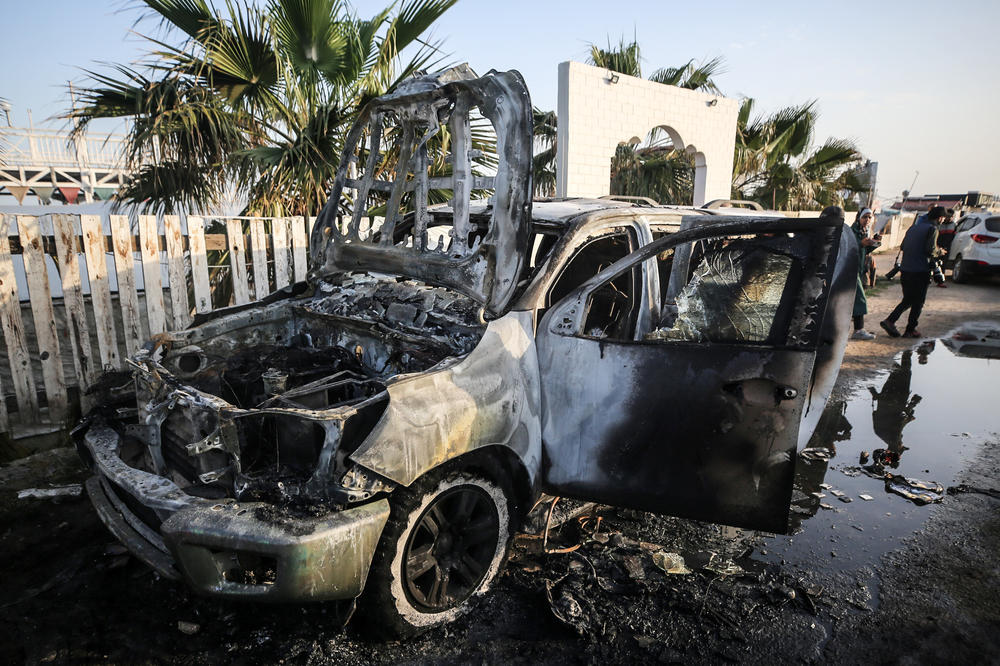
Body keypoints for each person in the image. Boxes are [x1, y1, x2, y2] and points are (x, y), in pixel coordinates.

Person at [880, 205, 946, 339]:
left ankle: (890, 321)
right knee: (918, 301)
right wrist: (940, 251)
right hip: (920, 270)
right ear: (940, 218)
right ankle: (910, 329)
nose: (943, 220)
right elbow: (930, 250)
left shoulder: (913, 228)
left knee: (908, 299)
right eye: (943, 218)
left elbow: (903, 246)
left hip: (906, 269)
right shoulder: (932, 230)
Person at [850, 208, 880, 340]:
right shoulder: (852, 232)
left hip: (858, 270)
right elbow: (848, 248)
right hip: (850, 270)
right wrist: (860, 243)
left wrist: (874, 243)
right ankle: (858, 330)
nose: (867, 220)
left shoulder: (864, 231)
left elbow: (864, 250)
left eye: (869, 217)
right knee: (860, 300)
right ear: (859, 218)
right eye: (865, 217)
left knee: (852, 300)